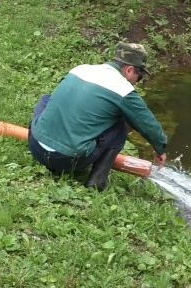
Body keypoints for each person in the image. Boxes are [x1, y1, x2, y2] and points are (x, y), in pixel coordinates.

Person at [28, 41, 167, 191]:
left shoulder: (80, 69)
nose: (137, 82)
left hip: (35, 146)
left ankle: (50, 139)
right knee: (121, 125)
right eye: (138, 77)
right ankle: (97, 182)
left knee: (46, 100)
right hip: (67, 160)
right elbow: (147, 123)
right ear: (129, 70)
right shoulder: (123, 89)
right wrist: (160, 148)